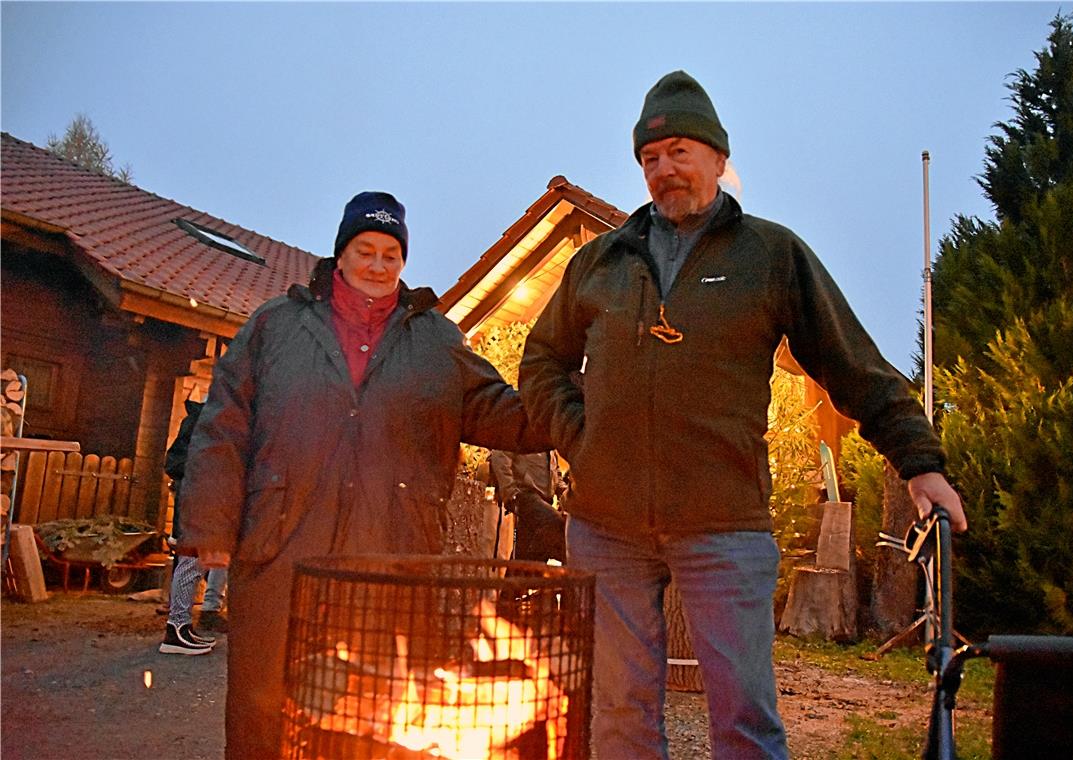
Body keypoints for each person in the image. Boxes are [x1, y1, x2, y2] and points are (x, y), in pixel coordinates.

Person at [518, 70, 968, 759]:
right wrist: (581, 435)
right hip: (607, 526)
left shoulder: (770, 255)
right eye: (650, 157)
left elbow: (853, 364)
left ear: (718, 160)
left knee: (744, 721)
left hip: (723, 525)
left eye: (680, 152)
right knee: (618, 714)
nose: (664, 169)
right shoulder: (600, 262)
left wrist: (920, 463)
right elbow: (542, 359)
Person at [177, 191, 547, 757]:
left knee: (377, 707)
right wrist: (210, 530)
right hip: (282, 546)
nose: (377, 265)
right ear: (341, 254)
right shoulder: (276, 327)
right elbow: (223, 428)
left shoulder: (434, 340)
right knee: (265, 702)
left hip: (393, 551)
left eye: (390, 255)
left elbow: (501, 411)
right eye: (365, 250)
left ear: (403, 263)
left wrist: (572, 404)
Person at [158, 396, 228, 655]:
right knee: (189, 564)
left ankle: (182, 627)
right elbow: (174, 463)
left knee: (196, 566)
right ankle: (175, 630)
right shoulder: (197, 421)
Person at [488, 449, 566, 563]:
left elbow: (555, 471)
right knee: (555, 523)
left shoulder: (548, 441)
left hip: (543, 500)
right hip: (525, 495)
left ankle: (521, 576)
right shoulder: (521, 433)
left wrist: (566, 492)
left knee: (528, 550)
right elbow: (500, 456)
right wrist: (511, 493)